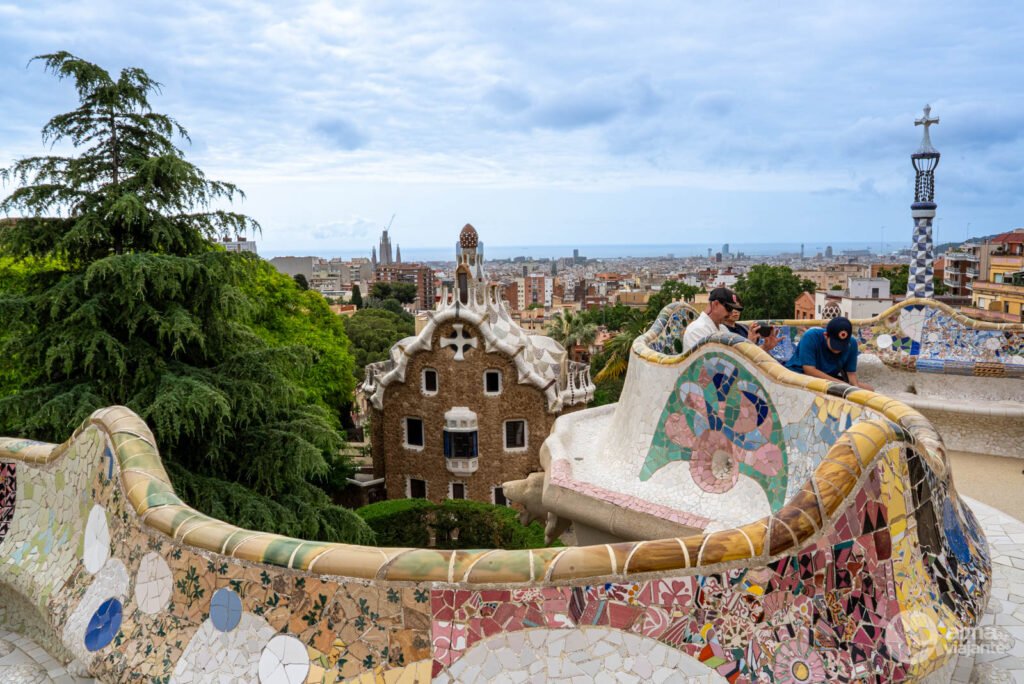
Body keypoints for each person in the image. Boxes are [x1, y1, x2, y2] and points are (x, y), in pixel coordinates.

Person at [785, 317, 873, 389]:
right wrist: (842, 385)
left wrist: (855, 389)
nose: (838, 349)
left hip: (828, 379)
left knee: (869, 390)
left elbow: (851, 374)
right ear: (826, 335)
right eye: (835, 345)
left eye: (842, 346)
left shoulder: (852, 343)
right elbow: (809, 370)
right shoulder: (811, 336)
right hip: (800, 375)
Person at [682, 287, 740, 352]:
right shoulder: (697, 330)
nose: (730, 313)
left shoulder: (722, 328)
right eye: (729, 308)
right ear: (716, 304)